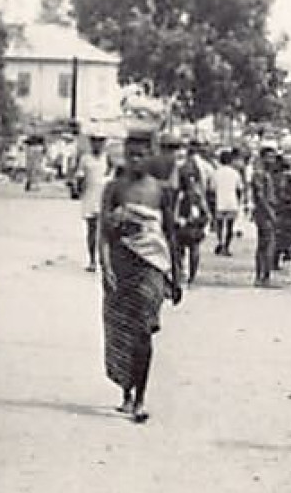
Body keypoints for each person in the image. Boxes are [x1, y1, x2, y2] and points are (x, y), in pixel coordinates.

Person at [100, 126, 182, 421]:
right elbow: (103, 234)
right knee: (121, 333)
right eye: (130, 154)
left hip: (152, 267)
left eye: (141, 154)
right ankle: (126, 392)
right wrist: (106, 267)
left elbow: (171, 235)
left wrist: (177, 274)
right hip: (121, 266)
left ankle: (140, 399)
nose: (135, 159)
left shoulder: (162, 191)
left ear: (150, 156)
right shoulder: (114, 188)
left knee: (144, 331)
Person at [170, 137, 209, 285]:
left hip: (185, 212)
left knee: (182, 247)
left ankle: (181, 273)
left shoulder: (181, 165)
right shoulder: (199, 166)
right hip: (192, 211)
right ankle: (190, 275)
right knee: (193, 246)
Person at [74, 133, 112, 272]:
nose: (97, 144)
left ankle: (104, 260)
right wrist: (78, 189)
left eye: (101, 142)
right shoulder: (85, 159)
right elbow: (79, 176)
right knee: (92, 230)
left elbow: (112, 174)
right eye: (95, 141)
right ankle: (92, 260)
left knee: (105, 231)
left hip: (104, 197)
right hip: (90, 196)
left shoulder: (107, 158)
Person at [250, 145, 280, 287]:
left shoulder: (265, 173)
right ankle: (264, 277)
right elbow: (261, 196)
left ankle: (261, 276)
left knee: (264, 244)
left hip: (264, 211)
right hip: (264, 212)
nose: (272, 160)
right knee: (268, 244)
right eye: (270, 157)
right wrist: (271, 213)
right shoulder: (260, 174)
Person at [210, 149, 244, 256]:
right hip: (232, 202)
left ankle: (220, 242)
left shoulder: (216, 173)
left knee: (220, 225)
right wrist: (239, 201)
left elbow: (212, 188)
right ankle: (227, 246)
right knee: (230, 226)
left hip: (220, 202)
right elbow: (239, 189)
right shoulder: (235, 173)